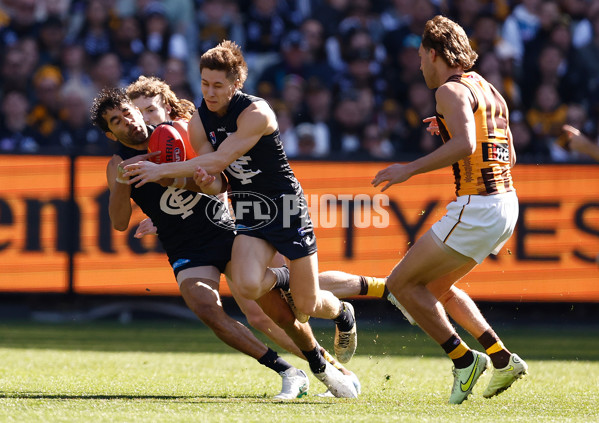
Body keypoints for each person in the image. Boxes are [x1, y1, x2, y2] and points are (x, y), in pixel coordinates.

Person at [90, 87, 358, 399]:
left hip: (222, 229)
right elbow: (120, 222)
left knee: (282, 314)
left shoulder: (176, 133)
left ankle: (322, 366)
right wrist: (122, 185)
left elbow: (219, 181)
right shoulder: (117, 164)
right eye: (117, 121)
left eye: (127, 113)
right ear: (111, 134)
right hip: (184, 247)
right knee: (206, 308)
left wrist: (170, 176)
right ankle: (287, 371)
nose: (128, 121)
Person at [123, 41, 358, 365]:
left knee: (305, 303)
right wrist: (199, 188)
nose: (210, 92)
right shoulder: (197, 123)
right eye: (204, 84)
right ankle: (313, 362)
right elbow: (216, 178)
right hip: (246, 207)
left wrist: (162, 172)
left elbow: (220, 160)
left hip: (282, 204)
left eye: (218, 85)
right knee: (253, 291)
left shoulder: (254, 113)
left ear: (236, 84)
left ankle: (350, 308)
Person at [372, 16, 528, 405]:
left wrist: (408, 169)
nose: (420, 64)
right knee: (436, 289)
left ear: (436, 54)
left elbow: (466, 146)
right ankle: (501, 358)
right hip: (506, 203)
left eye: (422, 56)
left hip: (479, 205)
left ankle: (463, 360)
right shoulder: (489, 88)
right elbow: (508, 153)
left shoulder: (449, 91)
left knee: (400, 285)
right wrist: (450, 130)